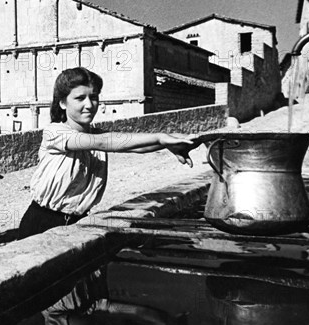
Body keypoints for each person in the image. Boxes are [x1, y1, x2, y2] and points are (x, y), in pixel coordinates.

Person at [18, 67, 201, 239]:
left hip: (77, 223)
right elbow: (104, 142)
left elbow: (134, 146)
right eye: (80, 98)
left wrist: (169, 144)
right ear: (62, 103)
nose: (89, 105)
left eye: (94, 97)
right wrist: (161, 137)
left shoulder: (97, 135)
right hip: (42, 222)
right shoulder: (54, 132)